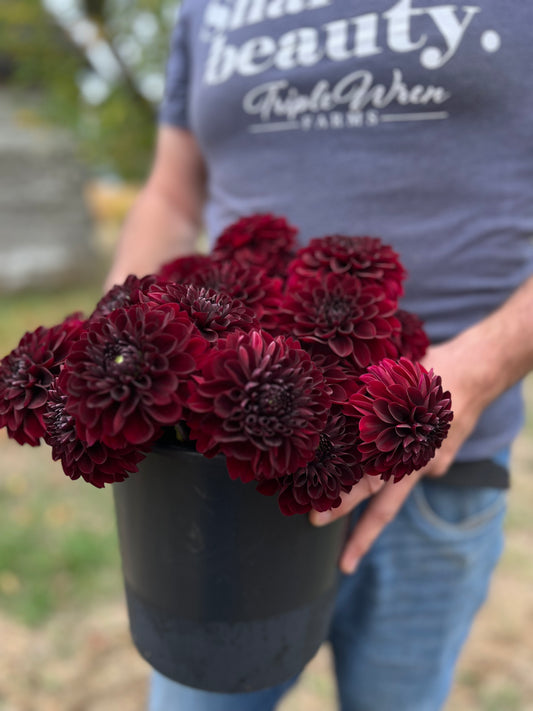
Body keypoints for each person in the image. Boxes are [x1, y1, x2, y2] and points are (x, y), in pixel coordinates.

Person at [105, 2, 533, 710]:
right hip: (216, 469)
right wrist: (119, 346)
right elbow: (172, 192)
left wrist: (474, 372)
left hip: (435, 462)